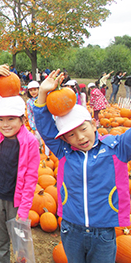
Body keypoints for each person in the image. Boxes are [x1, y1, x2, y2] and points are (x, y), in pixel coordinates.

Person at [33, 69, 131, 263]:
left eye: (83, 129)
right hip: (71, 229)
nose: (79, 137)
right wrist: (43, 94)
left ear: (94, 124)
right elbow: (45, 126)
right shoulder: (65, 152)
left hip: (103, 231)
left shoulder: (116, 149)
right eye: (70, 134)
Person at [0, 64, 40, 263]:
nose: (5, 124)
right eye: (1, 119)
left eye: (11, 119)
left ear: (22, 119)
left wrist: (24, 211)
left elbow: (31, 178)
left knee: (20, 244)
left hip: (16, 202)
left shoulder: (30, 142)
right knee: (1, 241)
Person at [26, 80, 50, 156]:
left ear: (39, 90)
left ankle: (46, 155)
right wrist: (32, 125)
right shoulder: (29, 102)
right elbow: (29, 114)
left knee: (47, 139)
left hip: (45, 122)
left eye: (35, 90)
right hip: (36, 124)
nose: (33, 92)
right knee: (37, 139)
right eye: (31, 90)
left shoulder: (44, 99)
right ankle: (40, 151)